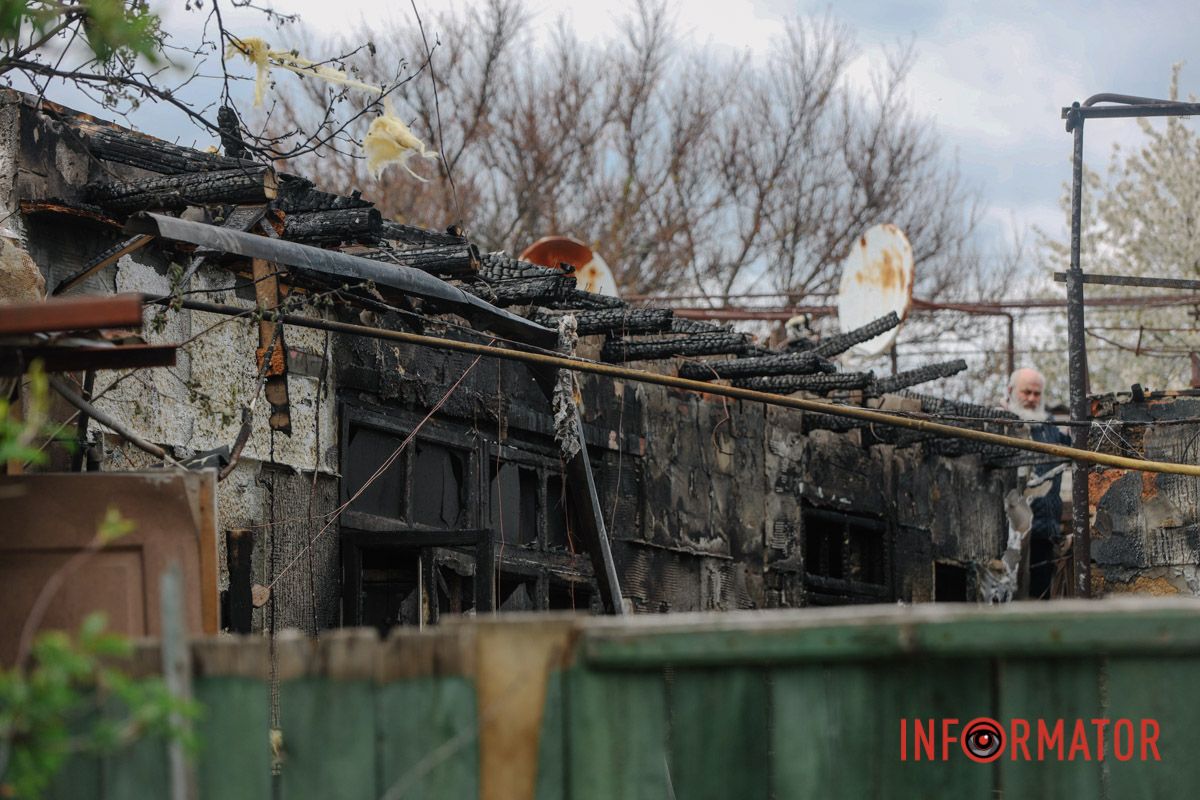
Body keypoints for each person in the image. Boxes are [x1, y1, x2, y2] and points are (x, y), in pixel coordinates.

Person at [1005, 367, 1069, 599]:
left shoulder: (1049, 426)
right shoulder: (1001, 422)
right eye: (1026, 392)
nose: (1032, 399)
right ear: (1011, 391)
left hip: (1044, 529)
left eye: (1036, 393)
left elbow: (1073, 448)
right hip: (1009, 532)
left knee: (1040, 596)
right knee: (1009, 592)